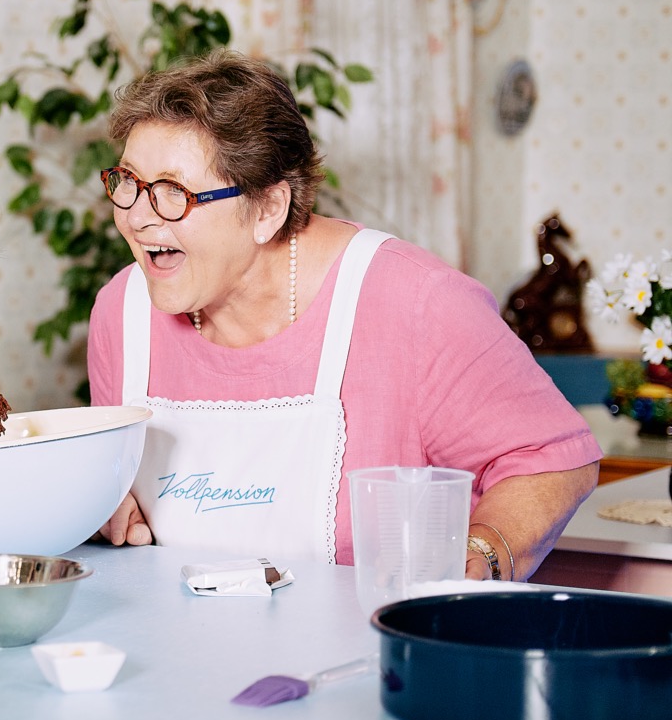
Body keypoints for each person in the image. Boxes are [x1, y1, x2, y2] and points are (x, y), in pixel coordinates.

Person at [87, 49, 600, 582]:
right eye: (127, 182)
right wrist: (105, 500)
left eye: (174, 193)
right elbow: (118, 496)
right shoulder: (121, 314)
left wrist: (484, 554)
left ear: (267, 209)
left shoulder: (416, 302)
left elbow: (552, 457)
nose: (138, 217)